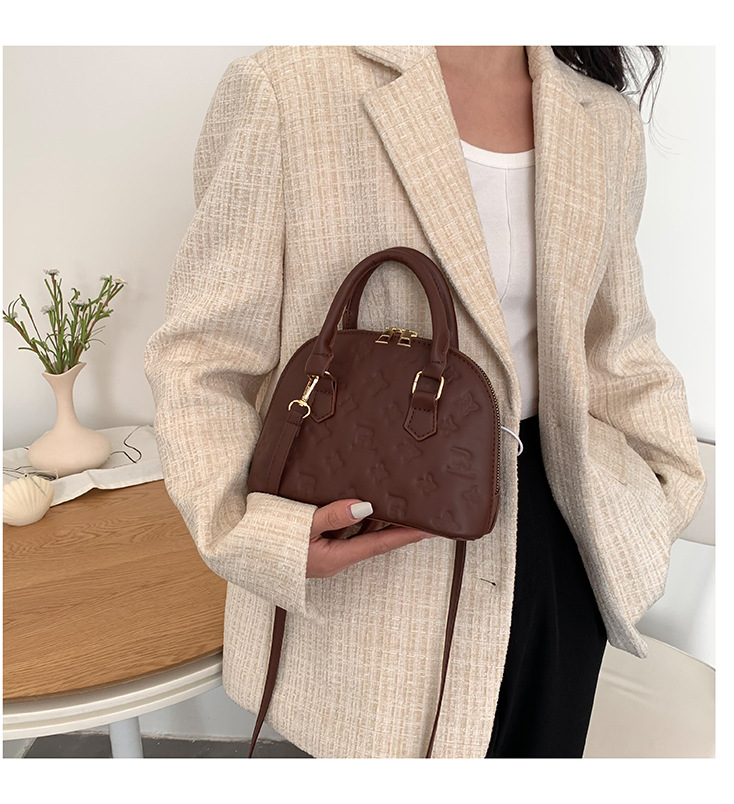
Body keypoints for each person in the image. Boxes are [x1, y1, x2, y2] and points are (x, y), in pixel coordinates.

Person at [143, 46, 707, 758]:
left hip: (563, 538)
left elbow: (617, 345)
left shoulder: (602, 120)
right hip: (376, 540)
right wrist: (257, 534)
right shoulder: (290, 87)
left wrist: (663, 491)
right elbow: (202, 356)